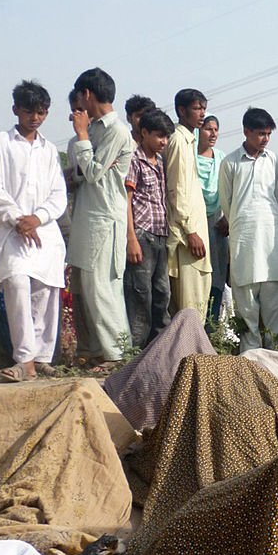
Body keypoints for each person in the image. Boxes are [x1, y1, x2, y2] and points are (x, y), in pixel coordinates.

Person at [0, 80, 67, 381]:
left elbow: (59, 194)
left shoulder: (49, 150)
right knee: (17, 284)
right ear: (16, 109)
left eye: (42, 112)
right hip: (11, 231)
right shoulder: (0, 143)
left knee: (45, 291)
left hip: (44, 232)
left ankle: (42, 358)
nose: (36, 118)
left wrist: (38, 218)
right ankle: (25, 360)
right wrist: (19, 219)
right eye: (30, 111)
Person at [66, 67, 134, 367]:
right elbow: (81, 173)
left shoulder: (117, 130)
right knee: (83, 288)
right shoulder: (95, 130)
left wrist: (81, 135)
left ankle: (118, 355)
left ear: (87, 94)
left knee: (102, 288)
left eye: (81, 98)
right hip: (87, 218)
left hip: (104, 220)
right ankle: (92, 350)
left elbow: (93, 171)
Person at [219, 108, 278, 353]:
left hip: (272, 242)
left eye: (269, 134)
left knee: (277, 309)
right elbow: (227, 204)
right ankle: (249, 361)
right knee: (247, 310)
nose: (265, 139)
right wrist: (241, 224)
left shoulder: (273, 159)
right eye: (261, 133)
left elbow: (276, 199)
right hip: (244, 241)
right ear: (246, 132)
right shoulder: (230, 162)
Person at [123, 109, 174, 349]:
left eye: (166, 137)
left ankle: (159, 349)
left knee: (162, 293)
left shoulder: (161, 162)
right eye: (158, 136)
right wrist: (130, 237)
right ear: (144, 133)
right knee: (140, 294)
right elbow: (127, 198)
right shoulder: (135, 160)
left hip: (160, 233)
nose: (163, 141)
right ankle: (135, 350)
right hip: (142, 234)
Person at [165, 88, 212, 316]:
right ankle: (186, 352)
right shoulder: (176, 140)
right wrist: (191, 231)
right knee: (187, 309)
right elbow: (176, 190)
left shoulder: (189, 141)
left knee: (198, 303)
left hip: (196, 232)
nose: (202, 113)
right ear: (181, 110)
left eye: (203, 108)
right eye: (196, 108)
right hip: (186, 236)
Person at [197, 115, 228, 324]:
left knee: (216, 277)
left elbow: (228, 191)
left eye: (216, 129)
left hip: (218, 223)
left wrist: (227, 217)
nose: (213, 133)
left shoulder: (222, 159)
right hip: (195, 222)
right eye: (208, 129)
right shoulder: (188, 156)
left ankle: (212, 331)